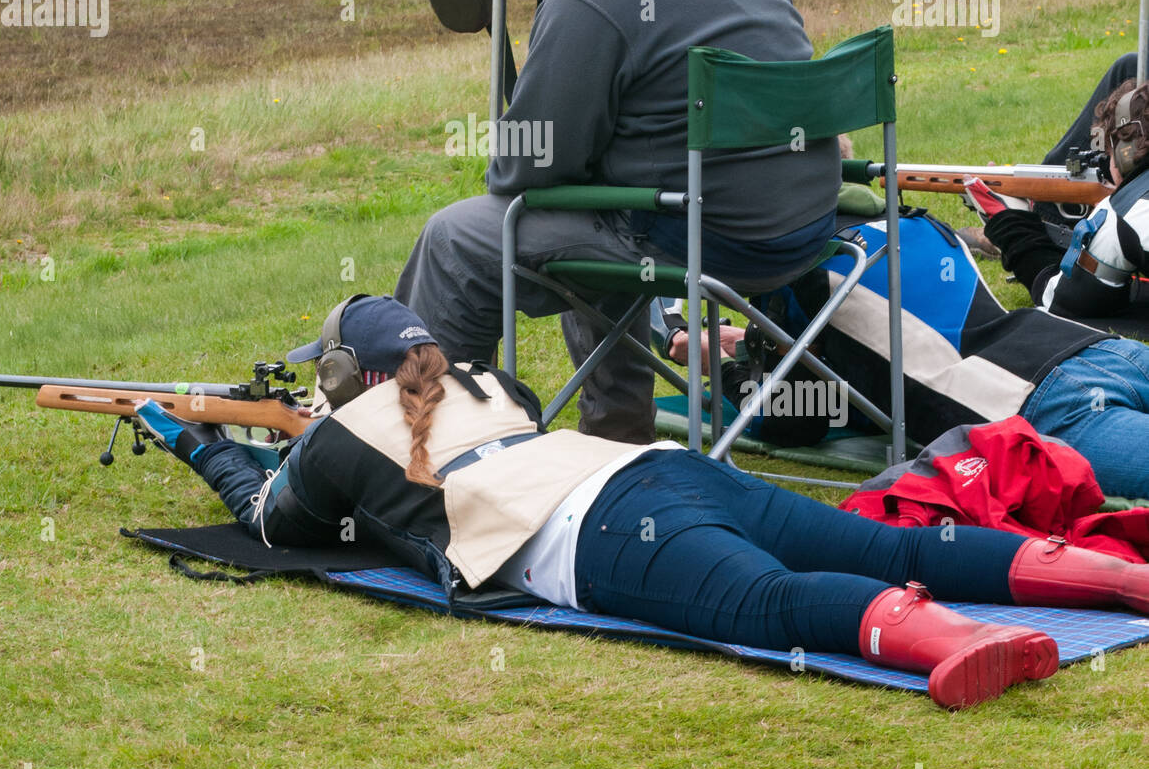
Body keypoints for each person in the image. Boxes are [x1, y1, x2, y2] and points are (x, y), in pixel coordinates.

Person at [129, 293, 1149, 710]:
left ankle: (945, 646)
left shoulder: (346, 435)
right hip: (660, 467)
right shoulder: (490, 382)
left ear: (345, 372)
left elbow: (271, 522)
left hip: (595, 529)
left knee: (767, 607)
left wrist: (195, 443)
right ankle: (1116, 575)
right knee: (888, 545)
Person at [395, 0, 840, 445]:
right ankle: (614, 439)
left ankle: (435, 444)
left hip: (703, 239)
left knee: (458, 238)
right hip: (801, 228)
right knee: (593, 213)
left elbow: (524, 168)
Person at [667, 205, 1149, 499]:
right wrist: (756, 340)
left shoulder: (805, 276)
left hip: (1035, 403)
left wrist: (722, 366)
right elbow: (890, 347)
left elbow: (796, 418)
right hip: (1095, 348)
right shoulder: (916, 225)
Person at [967, 76, 1149, 334]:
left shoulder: (1121, 214)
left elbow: (1061, 300)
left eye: (1108, 154)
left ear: (1124, 154)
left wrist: (1011, 224)